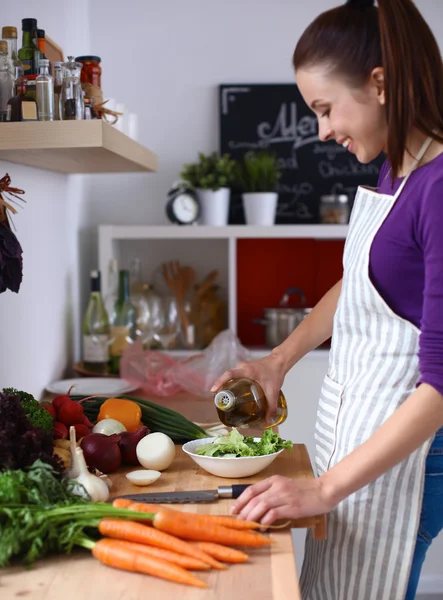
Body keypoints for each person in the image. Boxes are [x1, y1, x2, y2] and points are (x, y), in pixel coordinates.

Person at [210, 1, 443, 598]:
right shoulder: (401, 171)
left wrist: (322, 490)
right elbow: (361, 282)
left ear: (380, 84)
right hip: (363, 435)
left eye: (325, 108)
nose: (322, 130)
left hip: (407, 456)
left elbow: (441, 387)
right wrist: (277, 360)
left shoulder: (438, 190)